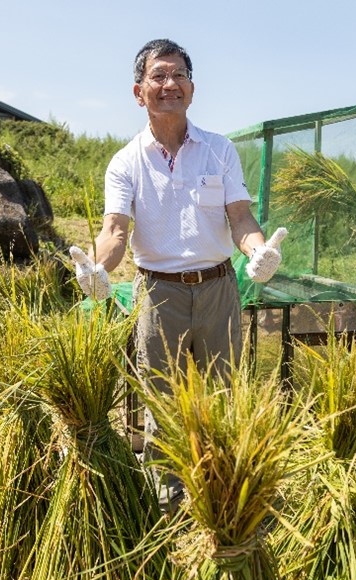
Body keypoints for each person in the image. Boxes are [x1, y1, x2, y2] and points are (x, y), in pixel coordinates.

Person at [69, 38, 285, 508]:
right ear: (138, 91)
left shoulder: (218, 150)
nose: (170, 84)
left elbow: (241, 218)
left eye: (179, 75)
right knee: (162, 401)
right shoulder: (126, 162)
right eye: (159, 76)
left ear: (192, 86)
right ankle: (169, 498)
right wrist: (98, 267)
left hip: (219, 288)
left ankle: (224, 492)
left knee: (224, 393)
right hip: (158, 294)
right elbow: (114, 231)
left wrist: (257, 251)